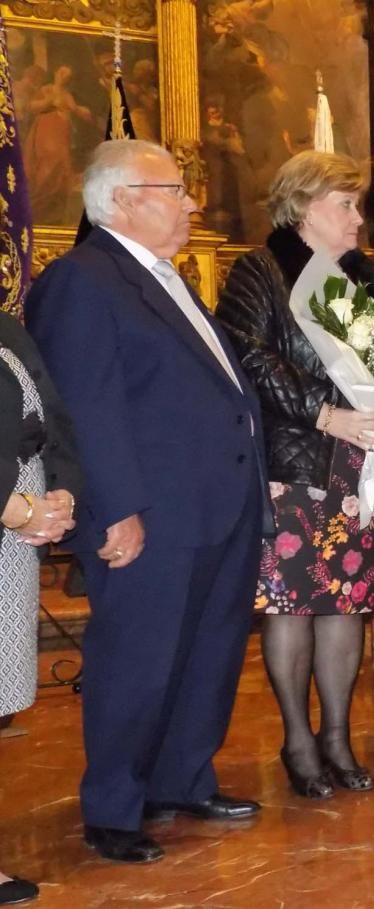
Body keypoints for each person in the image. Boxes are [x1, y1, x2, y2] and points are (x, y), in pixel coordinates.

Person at [24, 139, 270, 864]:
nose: (193, 201)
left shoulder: (165, 278)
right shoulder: (83, 280)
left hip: (218, 506)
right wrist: (117, 508)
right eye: (176, 189)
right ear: (124, 199)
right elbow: (87, 407)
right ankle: (113, 807)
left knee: (208, 654)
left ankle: (182, 778)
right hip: (151, 516)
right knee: (139, 661)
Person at [216, 151, 374, 798]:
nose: (360, 217)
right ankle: (297, 737)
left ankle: (337, 733)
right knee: (293, 606)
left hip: (359, 468)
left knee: (346, 604)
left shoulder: (363, 281)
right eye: (346, 205)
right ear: (304, 207)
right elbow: (251, 357)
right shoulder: (263, 270)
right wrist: (330, 417)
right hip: (294, 462)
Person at [1, 311, 83, 906]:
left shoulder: (8, 326)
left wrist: (60, 491)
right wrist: (16, 509)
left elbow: (51, 417)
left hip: (15, 532)